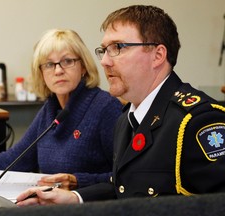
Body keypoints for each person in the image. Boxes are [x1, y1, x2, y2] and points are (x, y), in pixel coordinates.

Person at [15, 5, 225, 206]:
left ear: (158, 55)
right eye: (104, 50)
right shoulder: (126, 120)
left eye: (118, 47)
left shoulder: (198, 120)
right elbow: (122, 187)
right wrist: (74, 198)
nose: (105, 61)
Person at [0, 29, 122, 190]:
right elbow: (17, 159)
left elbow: (125, 177)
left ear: (83, 66)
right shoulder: (50, 110)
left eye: (67, 61)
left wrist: (78, 182)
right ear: (41, 73)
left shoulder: (105, 107)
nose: (58, 71)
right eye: (49, 64)